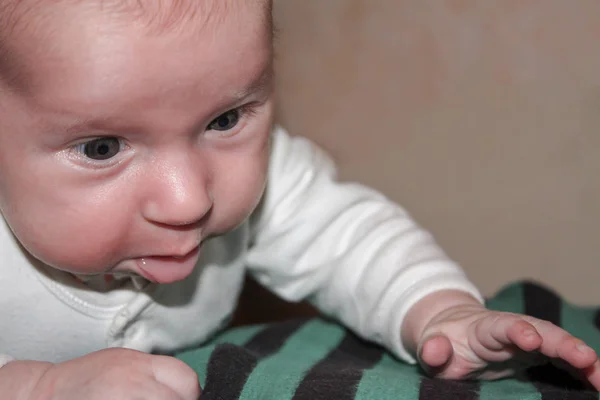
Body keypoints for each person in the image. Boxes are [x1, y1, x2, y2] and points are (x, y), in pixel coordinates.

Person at [0, 1, 597, 399]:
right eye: (102, 148)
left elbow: (350, 239)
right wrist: (39, 389)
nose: (188, 200)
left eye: (226, 118)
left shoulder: (263, 179)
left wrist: (440, 313)